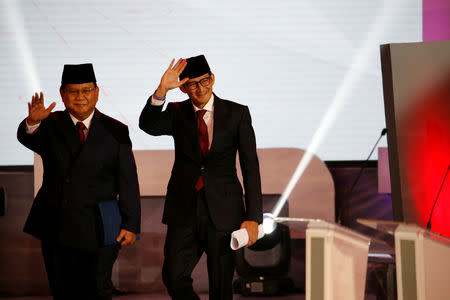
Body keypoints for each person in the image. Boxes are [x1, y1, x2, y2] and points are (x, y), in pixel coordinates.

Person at [139, 55, 263, 299]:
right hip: (184, 209)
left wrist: (253, 218)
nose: (199, 88)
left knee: (221, 287)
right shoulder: (177, 112)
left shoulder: (237, 113)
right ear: (183, 88)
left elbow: (251, 167)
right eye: (192, 84)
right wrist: (162, 90)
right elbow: (148, 125)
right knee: (173, 277)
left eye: (204, 81)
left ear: (213, 79)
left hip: (224, 211)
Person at [17, 63, 141, 300]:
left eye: (86, 90)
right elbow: (27, 138)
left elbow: (128, 181)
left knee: (97, 289)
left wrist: (131, 224)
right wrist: (32, 123)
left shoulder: (116, 130)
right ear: (63, 94)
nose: (80, 97)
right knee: (63, 291)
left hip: (102, 223)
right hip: (57, 223)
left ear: (96, 92)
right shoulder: (50, 124)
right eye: (74, 91)